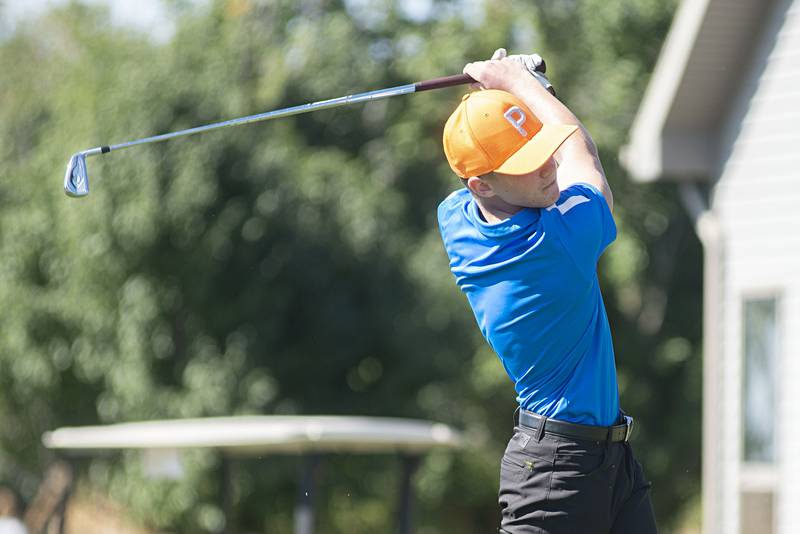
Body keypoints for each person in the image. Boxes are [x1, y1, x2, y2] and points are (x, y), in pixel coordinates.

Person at [436, 48, 658, 534]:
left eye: (538, 151)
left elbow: (546, 156)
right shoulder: (558, 243)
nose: (546, 168)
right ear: (482, 186)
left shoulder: (456, 219)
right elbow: (583, 156)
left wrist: (503, 99)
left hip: (605, 460)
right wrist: (520, 83)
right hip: (557, 471)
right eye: (526, 162)